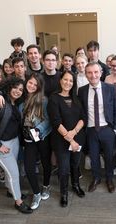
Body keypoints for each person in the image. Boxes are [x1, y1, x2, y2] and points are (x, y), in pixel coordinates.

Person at [0, 77, 32, 213]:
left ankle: (11, 191)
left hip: (14, 141)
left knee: (10, 171)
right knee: (14, 173)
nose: (17, 91)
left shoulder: (15, 102)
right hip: (1, 144)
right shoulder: (1, 101)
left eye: (21, 89)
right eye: (15, 87)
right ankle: (18, 202)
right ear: (9, 87)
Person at [78, 62, 116, 193]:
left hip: (107, 129)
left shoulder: (110, 88)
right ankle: (96, 178)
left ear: (101, 73)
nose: (93, 75)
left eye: (96, 72)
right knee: (93, 157)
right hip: (91, 130)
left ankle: (109, 179)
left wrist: (115, 129)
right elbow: (81, 111)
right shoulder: (82, 91)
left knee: (109, 157)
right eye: (89, 72)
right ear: (86, 74)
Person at [48, 71, 86, 207]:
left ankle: (75, 185)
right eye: (65, 79)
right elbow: (56, 122)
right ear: (60, 80)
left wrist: (74, 132)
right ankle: (64, 193)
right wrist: (70, 139)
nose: (68, 83)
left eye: (71, 81)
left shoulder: (76, 98)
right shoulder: (54, 98)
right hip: (61, 141)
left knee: (75, 164)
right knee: (64, 168)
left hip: (78, 138)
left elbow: (83, 118)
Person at [22, 73, 52, 210]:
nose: (32, 86)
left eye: (35, 84)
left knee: (46, 163)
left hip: (41, 136)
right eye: (30, 83)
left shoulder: (44, 100)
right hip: (27, 138)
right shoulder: (21, 98)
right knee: (29, 167)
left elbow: (48, 119)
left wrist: (38, 130)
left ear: (39, 87)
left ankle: (46, 185)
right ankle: (36, 192)